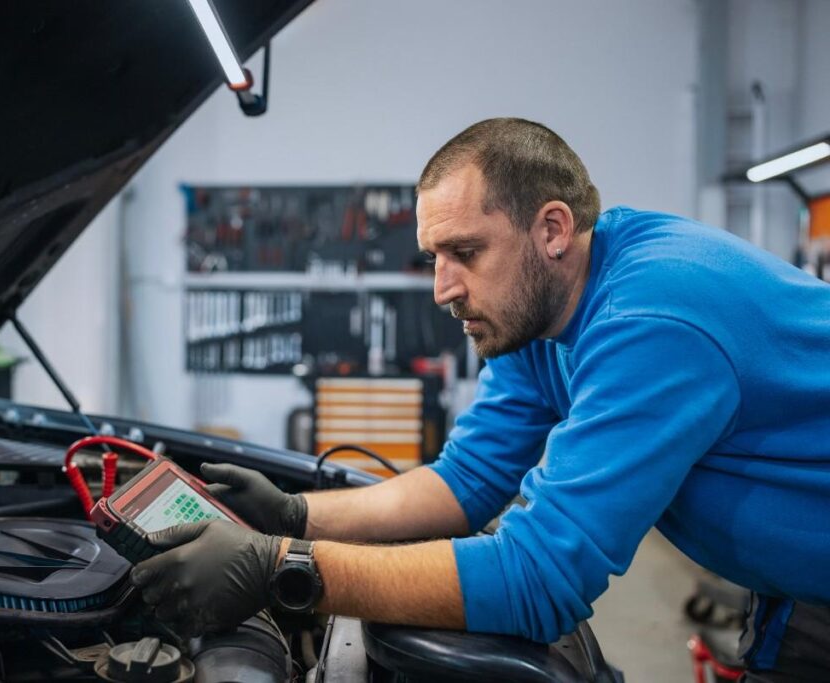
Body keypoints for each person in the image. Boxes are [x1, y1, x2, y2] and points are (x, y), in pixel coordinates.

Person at [132, 118, 830, 681]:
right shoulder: (538, 315)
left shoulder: (651, 319)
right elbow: (465, 481)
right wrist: (295, 514)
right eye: (434, 257)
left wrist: (283, 568)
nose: (443, 288)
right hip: (796, 588)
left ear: (551, 229)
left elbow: (539, 578)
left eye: (465, 251)